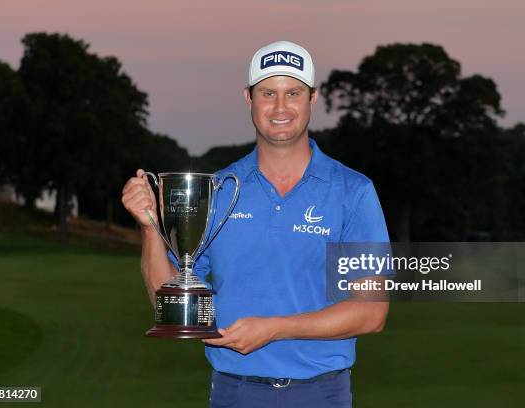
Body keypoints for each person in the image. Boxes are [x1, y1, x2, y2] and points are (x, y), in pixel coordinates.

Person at [121, 40, 390, 408]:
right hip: (235, 392)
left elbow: (372, 311)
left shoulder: (353, 192)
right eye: (268, 93)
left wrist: (275, 328)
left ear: (313, 97)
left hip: (320, 394)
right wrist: (149, 226)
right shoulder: (217, 190)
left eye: (292, 92)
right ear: (249, 98)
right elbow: (168, 303)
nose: (280, 108)